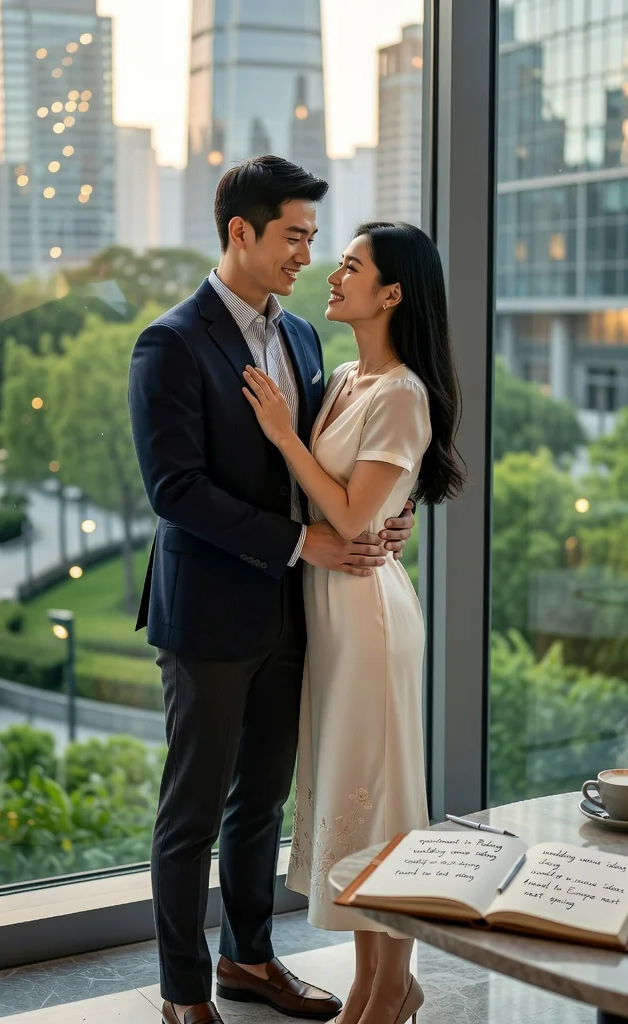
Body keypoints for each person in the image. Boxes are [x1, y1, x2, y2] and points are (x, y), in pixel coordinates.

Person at [128, 157, 416, 1024]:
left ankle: (249, 960)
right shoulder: (169, 342)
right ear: (239, 233)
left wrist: (376, 521)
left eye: (314, 240)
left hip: (294, 614)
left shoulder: (301, 339)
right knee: (192, 814)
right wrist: (306, 542)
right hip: (210, 617)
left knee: (260, 803)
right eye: (293, 236)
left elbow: (330, 465)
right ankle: (184, 995)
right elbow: (174, 491)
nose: (307, 255)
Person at [243, 221, 463, 1024]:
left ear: (392, 293)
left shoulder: (404, 391)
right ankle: (387, 988)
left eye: (351, 267)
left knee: (382, 808)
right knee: (359, 803)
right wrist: (374, 511)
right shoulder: (342, 377)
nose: (332, 275)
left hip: (369, 616)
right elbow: (356, 510)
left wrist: (282, 436)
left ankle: (383, 995)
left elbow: (351, 510)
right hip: (331, 613)